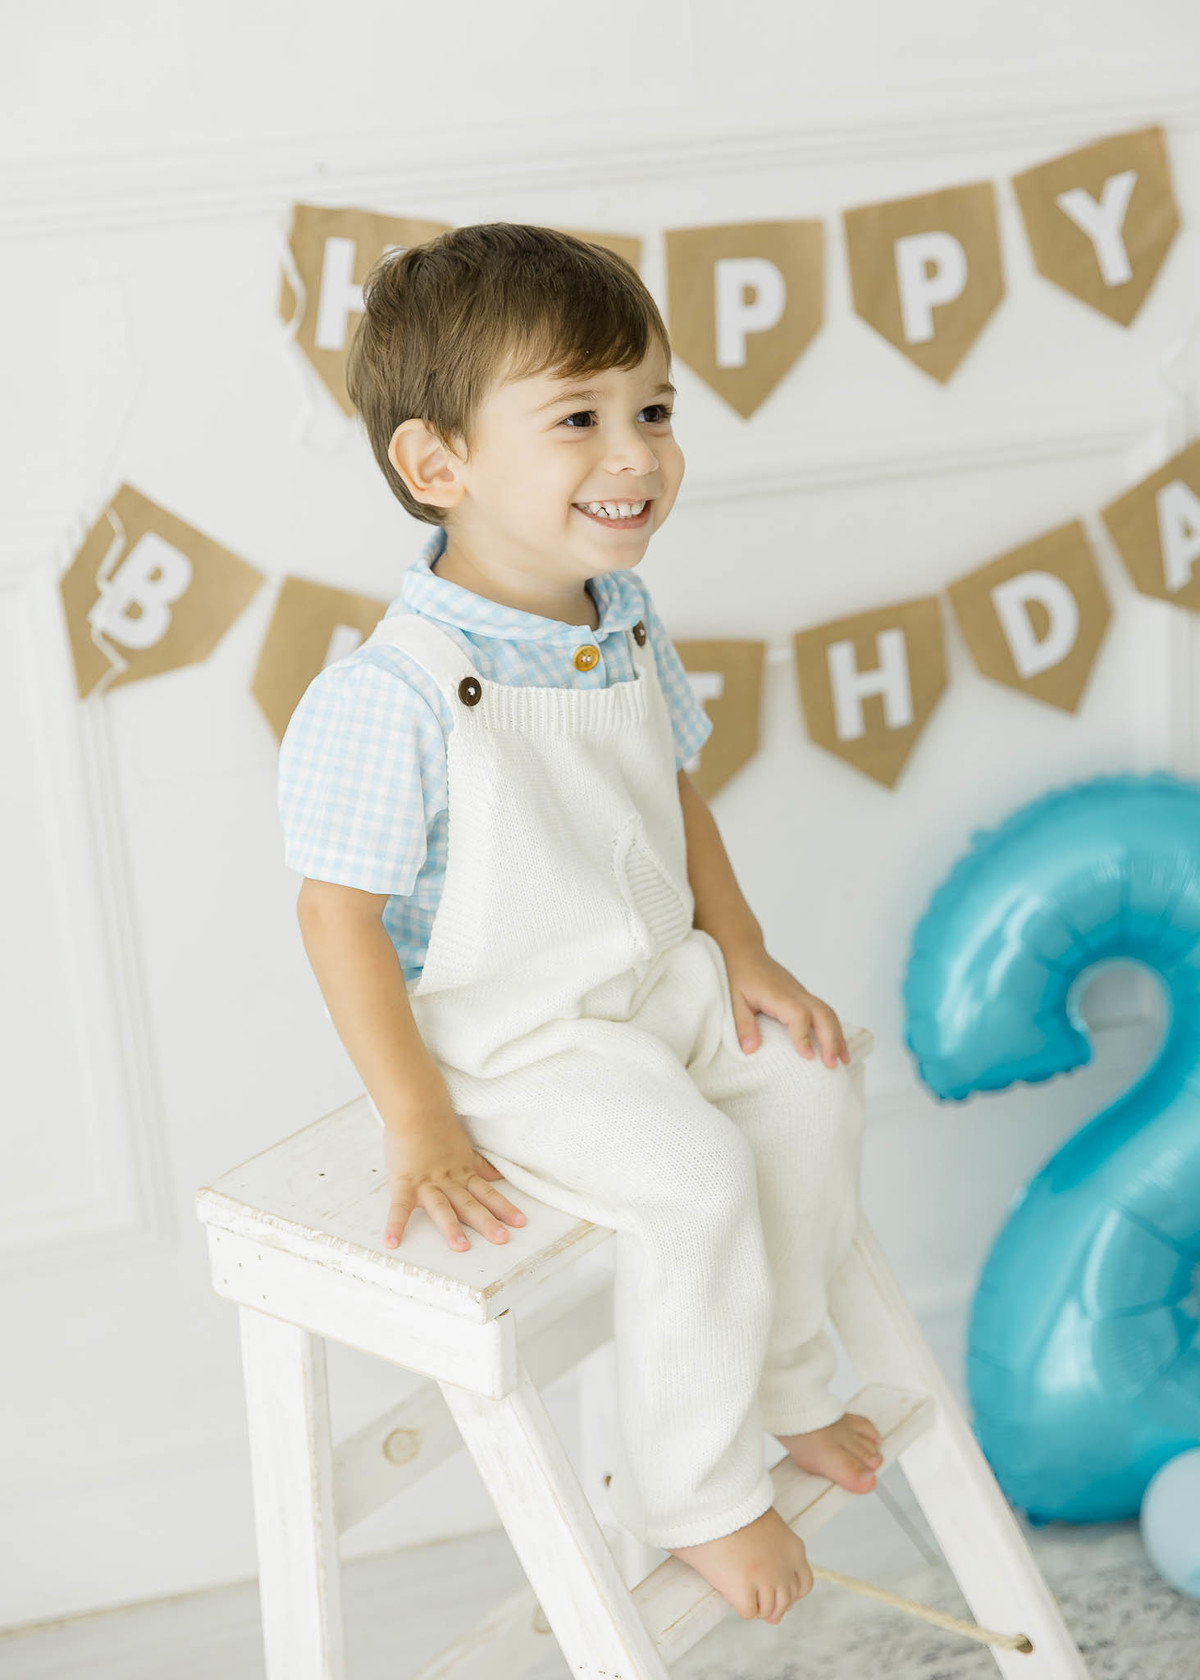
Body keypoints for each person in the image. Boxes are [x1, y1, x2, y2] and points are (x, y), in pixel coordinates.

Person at [278, 222, 882, 1627]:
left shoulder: (624, 616)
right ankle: (696, 1490)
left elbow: (675, 789)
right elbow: (336, 917)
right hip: (514, 1035)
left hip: (653, 979)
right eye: (578, 419)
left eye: (654, 411)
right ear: (438, 465)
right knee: (694, 1180)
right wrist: (421, 1118)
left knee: (807, 1085)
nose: (637, 453)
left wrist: (742, 950)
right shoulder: (394, 692)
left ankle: (788, 1377)